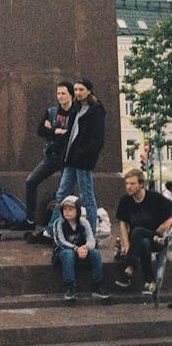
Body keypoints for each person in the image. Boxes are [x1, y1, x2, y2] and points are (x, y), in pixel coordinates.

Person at [47, 78, 106, 237]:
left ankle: (91, 234)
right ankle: (51, 230)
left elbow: (97, 140)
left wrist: (84, 154)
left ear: (89, 91)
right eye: (76, 90)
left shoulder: (96, 110)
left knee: (87, 198)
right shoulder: (76, 108)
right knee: (61, 194)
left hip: (82, 161)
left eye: (81, 90)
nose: (78, 93)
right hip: (71, 159)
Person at [24, 82, 73, 230]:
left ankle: (67, 222)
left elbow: (71, 135)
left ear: (70, 95)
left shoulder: (75, 113)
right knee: (31, 181)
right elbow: (40, 130)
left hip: (68, 158)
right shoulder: (51, 111)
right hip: (51, 156)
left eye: (63, 93)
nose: (60, 96)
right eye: (58, 93)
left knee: (67, 192)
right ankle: (30, 220)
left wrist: (51, 129)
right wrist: (56, 132)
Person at [115, 169, 172, 294]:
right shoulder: (125, 201)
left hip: (158, 239)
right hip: (139, 242)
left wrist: (168, 223)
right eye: (127, 184)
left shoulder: (155, 198)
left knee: (138, 231)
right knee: (143, 240)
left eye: (132, 184)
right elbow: (122, 223)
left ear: (141, 184)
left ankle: (129, 269)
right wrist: (126, 244)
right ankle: (150, 282)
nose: (128, 187)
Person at [52, 195, 109, 301]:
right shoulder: (58, 223)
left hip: (81, 253)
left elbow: (91, 239)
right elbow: (60, 241)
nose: (67, 212)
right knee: (68, 254)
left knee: (95, 253)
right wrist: (76, 249)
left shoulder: (84, 222)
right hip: (63, 254)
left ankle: (98, 284)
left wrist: (86, 248)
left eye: (70, 209)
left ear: (77, 211)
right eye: (64, 209)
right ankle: (69, 286)